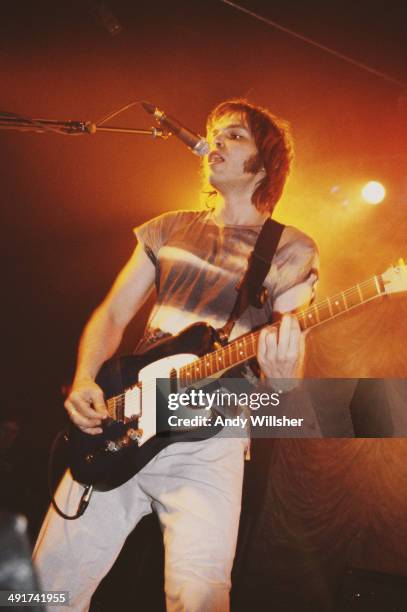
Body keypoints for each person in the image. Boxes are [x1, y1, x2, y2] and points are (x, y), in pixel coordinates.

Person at [33, 99, 318, 611]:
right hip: (124, 419)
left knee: (200, 594)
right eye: (215, 133)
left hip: (211, 439)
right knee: (48, 585)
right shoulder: (166, 227)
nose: (216, 142)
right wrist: (84, 381)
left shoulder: (291, 248)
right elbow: (113, 314)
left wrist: (283, 375)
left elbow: (289, 358)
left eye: (235, 136)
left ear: (266, 160)